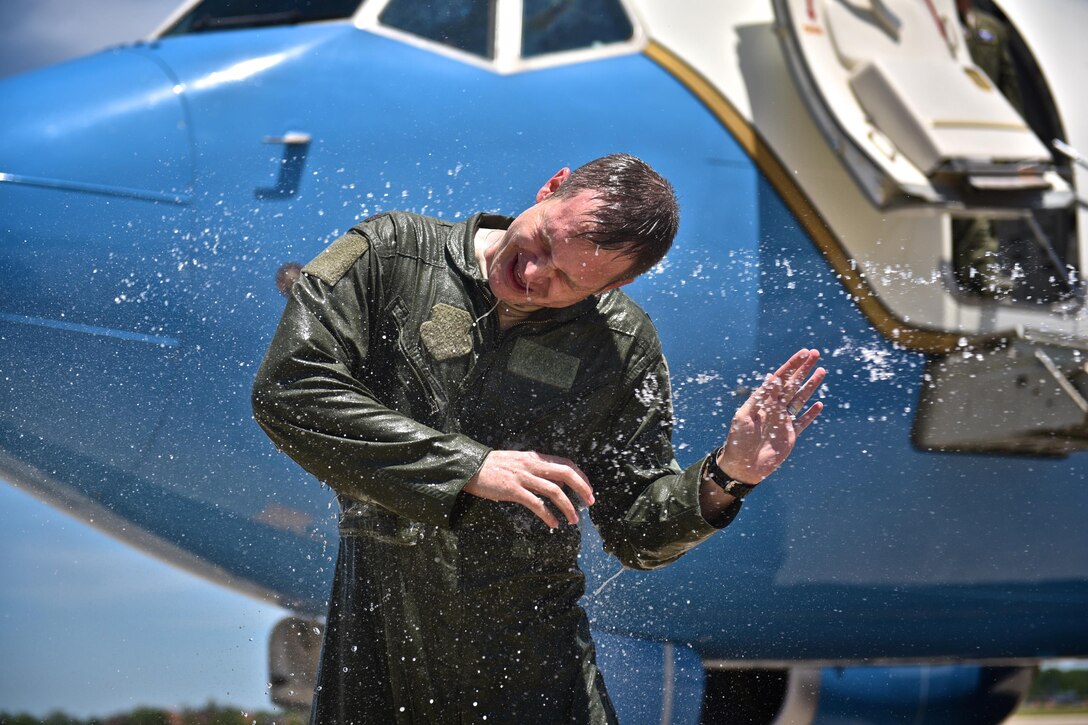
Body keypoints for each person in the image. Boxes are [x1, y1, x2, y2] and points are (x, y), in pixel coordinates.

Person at [252, 153, 825, 724]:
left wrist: (729, 474)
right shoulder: (390, 253)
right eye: (543, 245)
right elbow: (288, 388)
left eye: (568, 280)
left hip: (530, 664)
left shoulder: (621, 345)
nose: (531, 276)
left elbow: (636, 535)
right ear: (551, 187)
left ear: (618, 283)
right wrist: (469, 467)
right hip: (377, 638)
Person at [953, 0, 1024, 298]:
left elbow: (1008, 85)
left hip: (983, 130)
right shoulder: (936, 24)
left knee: (985, 206)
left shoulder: (991, 29)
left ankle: (980, 270)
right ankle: (978, 269)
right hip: (948, 127)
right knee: (964, 205)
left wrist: (1014, 138)